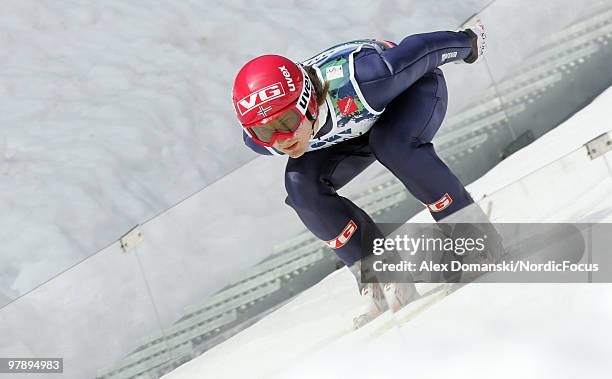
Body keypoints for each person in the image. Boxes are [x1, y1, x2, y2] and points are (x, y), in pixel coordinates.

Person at [231, 20, 488, 326]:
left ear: (306, 102)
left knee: (391, 145)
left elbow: (422, 50)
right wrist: (280, 129)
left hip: (407, 93)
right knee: (301, 187)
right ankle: (381, 275)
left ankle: (476, 238)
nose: (281, 140)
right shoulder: (264, 141)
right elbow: (279, 131)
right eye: (265, 131)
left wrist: (467, 44)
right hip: (349, 128)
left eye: (285, 122)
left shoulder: (366, 80)